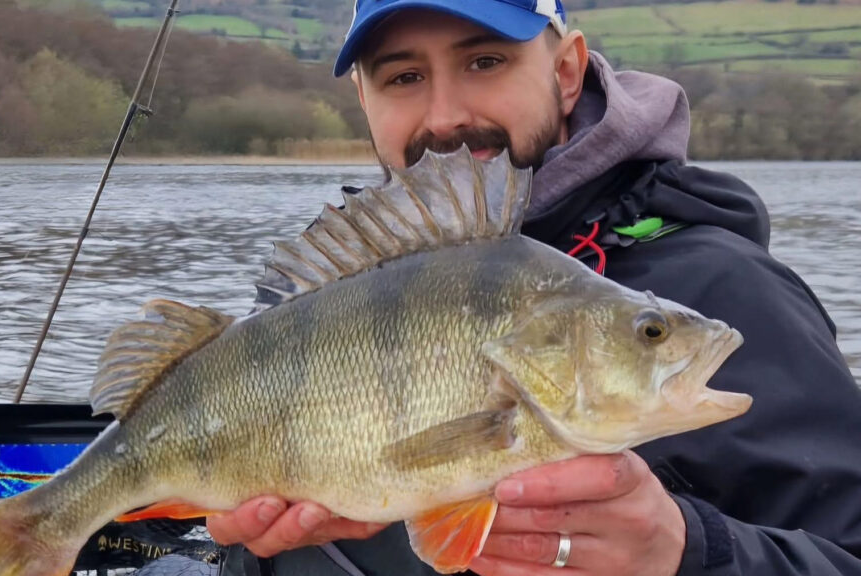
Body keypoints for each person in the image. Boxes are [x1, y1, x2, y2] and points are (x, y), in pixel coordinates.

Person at [206, 1, 861, 574]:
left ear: (567, 71)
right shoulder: (329, 296)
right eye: (404, 76)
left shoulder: (726, 286)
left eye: (485, 62)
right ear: (364, 101)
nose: (446, 116)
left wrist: (684, 552)